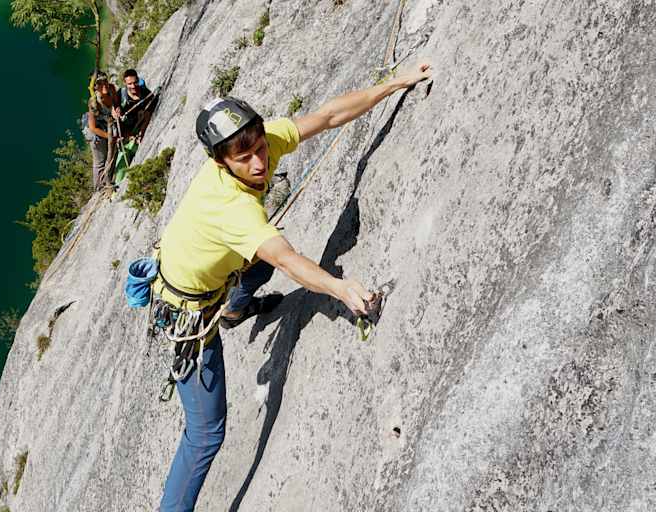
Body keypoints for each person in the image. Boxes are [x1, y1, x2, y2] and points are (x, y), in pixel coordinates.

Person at [153, 62, 432, 512]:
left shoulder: (258, 144)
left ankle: (236, 309)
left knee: (258, 265)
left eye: (260, 148)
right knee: (205, 435)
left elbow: (328, 116)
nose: (259, 163)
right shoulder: (233, 209)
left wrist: (394, 83)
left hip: (210, 273)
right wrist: (340, 290)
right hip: (187, 312)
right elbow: (287, 259)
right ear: (221, 162)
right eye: (244, 158)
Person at [86, 75, 122, 193]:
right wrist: (110, 137)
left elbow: (116, 103)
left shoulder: (111, 89)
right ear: (95, 87)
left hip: (108, 127)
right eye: (99, 84)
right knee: (100, 162)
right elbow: (92, 127)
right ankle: (99, 188)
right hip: (96, 134)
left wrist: (117, 110)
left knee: (111, 155)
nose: (104, 85)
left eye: (105, 81)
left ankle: (109, 179)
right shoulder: (93, 102)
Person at [117, 68, 156, 140]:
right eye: (129, 84)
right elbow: (113, 110)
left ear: (138, 80)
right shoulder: (120, 95)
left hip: (139, 124)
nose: (133, 86)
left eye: (135, 82)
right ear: (125, 83)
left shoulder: (146, 93)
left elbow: (152, 109)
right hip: (125, 127)